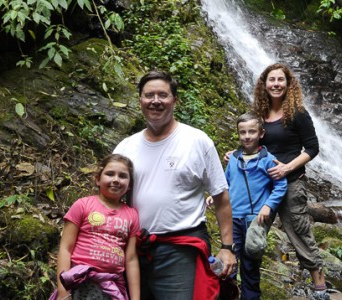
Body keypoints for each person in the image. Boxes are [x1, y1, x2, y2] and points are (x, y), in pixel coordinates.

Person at [113, 70, 236, 300]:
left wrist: (227, 248)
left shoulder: (197, 141)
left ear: (175, 100)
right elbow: (110, 202)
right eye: (149, 95)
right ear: (140, 100)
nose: (156, 101)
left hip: (181, 249)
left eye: (163, 95)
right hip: (134, 249)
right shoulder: (125, 147)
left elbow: (221, 198)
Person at [253, 63, 327, 300]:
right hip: (263, 183)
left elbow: (313, 147)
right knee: (252, 232)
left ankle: (320, 290)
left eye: (280, 80)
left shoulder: (297, 113)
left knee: (300, 232)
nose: (276, 84)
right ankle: (249, 290)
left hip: (292, 182)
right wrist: (235, 155)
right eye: (271, 80)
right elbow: (252, 143)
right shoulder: (259, 115)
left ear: (288, 84)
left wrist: (287, 168)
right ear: (264, 84)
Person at [52, 154, 141, 300]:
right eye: (110, 174)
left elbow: (131, 259)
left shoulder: (131, 215)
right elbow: (65, 248)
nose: (116, 180)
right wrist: (63, 292)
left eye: (123, 176)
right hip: (79, 281)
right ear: (98, 179)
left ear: (130, 184)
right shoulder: (83, 205)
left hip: (112, 287)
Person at [225, 112, 287, 300]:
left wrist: (268, 206)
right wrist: (215, 196)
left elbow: (280, 185)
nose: (247, 136)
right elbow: (226, 183)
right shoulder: (234, 159)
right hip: (233, 218)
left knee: (250, 265)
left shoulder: (268, 159)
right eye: (242, 132)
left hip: (255, 221)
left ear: (261, 133)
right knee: (229, 263)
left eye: (252, 131)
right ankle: (230, 294)